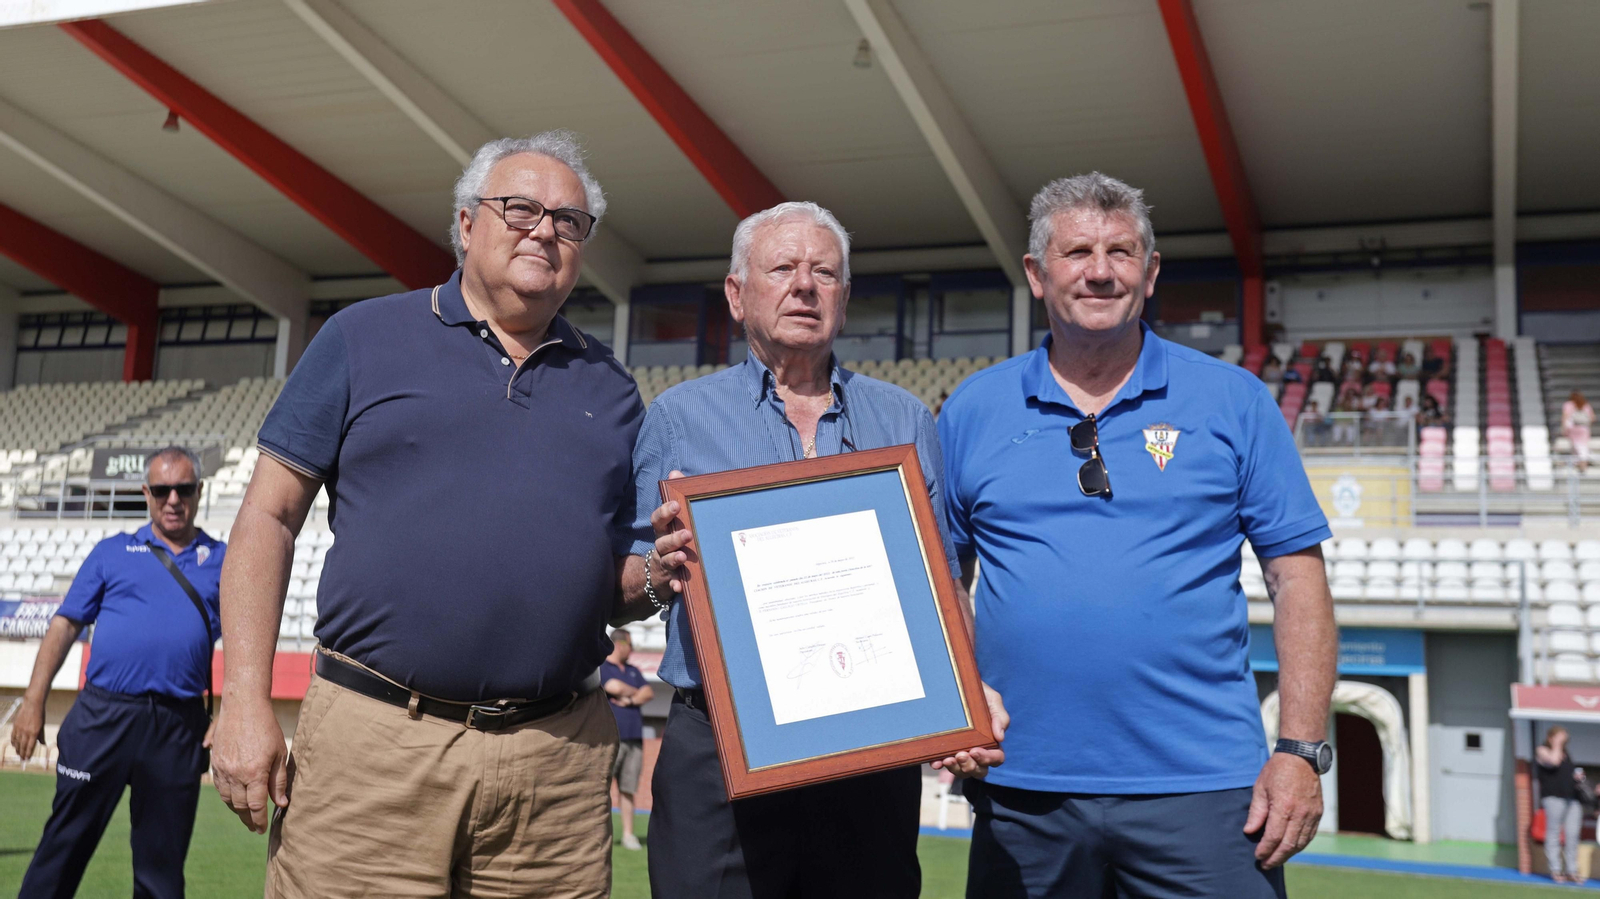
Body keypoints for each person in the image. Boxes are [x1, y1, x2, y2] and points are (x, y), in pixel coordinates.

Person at [210, 131, 641, 898]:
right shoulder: (360, 337)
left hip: (555, 770)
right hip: (375, 749)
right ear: (466, 223)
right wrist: (242, 700)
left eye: (568, 221)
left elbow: (608, 584)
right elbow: (267, 519)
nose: (544, 229)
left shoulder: (611, 389)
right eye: (520, 208)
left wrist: (664, 576)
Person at [939, 173, 1337, 899]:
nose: (1100, 270)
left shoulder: (1233, 400)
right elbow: (940, 578)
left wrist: (1303, 751)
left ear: (1150, 274)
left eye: (1121, 252)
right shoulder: (972, 409)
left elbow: (1297, 576)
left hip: (1208, 792)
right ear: (1036, 273)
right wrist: (958, 704)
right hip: (1024, 787)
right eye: (1078, 251)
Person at [622, 200, 1007, 899]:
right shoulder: (679, 417)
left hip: (870, 749)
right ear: (738, 294)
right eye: (783, 268)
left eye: (824, 271)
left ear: (845, 297)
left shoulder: (905, 418)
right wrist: (661, 566)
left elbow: (942, 579)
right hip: (717, 747)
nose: (805, 285)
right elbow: (627, 585)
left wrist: (962, 699)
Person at [12, 447, 224, 899]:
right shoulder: (111, 552)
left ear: (199, 492)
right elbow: (65, 624)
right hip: (103, 717)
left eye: (183, 489)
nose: (173, 499)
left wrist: (235, 711)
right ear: (145, 493)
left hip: (176, 726)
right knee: (60, 852)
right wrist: (33, 701)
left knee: (161, 875)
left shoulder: (223, 559)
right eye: (162, 489)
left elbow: (250, 639)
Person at [601, 628, 653, 851]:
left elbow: (648, 692)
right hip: (609, 739)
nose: (631, 650)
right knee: (600, 790)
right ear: (620, 644)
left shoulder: (633, 670)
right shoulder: (602, 667)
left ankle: (629, 835)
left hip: (635, 740)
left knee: (628, 789)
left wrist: (630, 698)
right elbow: (612, 686)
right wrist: (636, 692)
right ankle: (600, 837)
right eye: (630, 645)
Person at [1537, 725, 1586, 884]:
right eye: (1560, 736)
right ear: (1551, 737)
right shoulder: (1542, 750)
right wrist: (1556, 744)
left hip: (1572, 800)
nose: (1564, 740)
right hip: (1554, 799)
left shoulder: (1567, 754)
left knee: (1572, 835)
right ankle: (1556, 870)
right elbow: (1553, 761)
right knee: (1553, 833)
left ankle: (1572, 870)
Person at [1564, 390, 1594, 474]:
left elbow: (1565, 417)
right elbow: (1592, 418)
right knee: (1582, 448)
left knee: (1576, 449)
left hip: (1573, 429)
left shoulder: (1569, 405)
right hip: (1584, 429)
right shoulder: (1586, 405)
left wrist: (1564, 429)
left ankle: (1580, 466)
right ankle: (1582, 466)